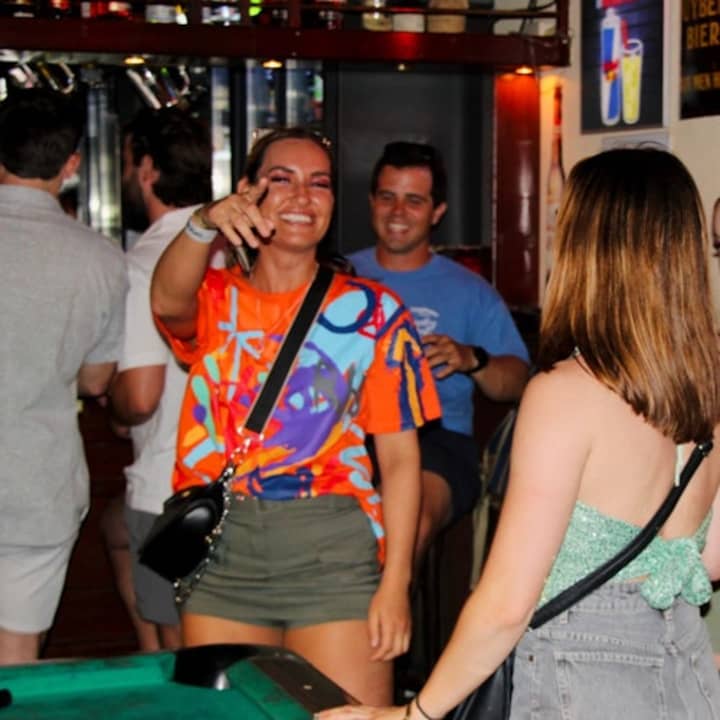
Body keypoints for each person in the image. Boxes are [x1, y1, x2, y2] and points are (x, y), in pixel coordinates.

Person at [318, 148, 720, 720]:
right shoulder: (710, 381)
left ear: (587, 248)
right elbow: (708, 560)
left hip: (582, 684)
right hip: (687, 675)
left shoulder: (566, 393)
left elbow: (506, 604)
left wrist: (414, 714)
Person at [149, 127, 441, 704]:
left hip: (332, 550)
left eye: (319, 183)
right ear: (246, 191)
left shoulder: (374, 313)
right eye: (281, 179)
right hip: (224, 550)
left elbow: (401, 461)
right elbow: (166, 301)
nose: (303, 197)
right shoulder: (215, 298)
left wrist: (396, 583)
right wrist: (203, 223)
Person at [351, 141, 530, 569]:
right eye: (387, 197)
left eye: (414, 201)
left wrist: (473, 360)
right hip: (345, 435)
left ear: (437, 212)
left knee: (404, 524)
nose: (398, 212)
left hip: (437, 439)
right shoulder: (339, 276)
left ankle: (387, 607)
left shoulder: (470, 291)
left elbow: (519, 381)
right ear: (372, 202)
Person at [0, 87, 127, 665]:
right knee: (17, 657)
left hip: (37, 486)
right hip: (37, 485)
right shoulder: (100, 258)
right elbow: (97, 381)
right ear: (72, 162)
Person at [108, 107, 219, 652]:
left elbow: (141, 396)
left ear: (148, 169)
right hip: (243, 483)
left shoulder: (146, 262)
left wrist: (110, 399)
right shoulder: (242, 251)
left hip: (170, 486)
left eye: (127, 163)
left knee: (183, 651)